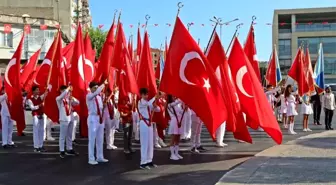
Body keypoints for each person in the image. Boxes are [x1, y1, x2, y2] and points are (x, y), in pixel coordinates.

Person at [86, 81, 109, 165]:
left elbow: (101, 107)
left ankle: (100, 157)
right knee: (92, 139)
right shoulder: (89, 96)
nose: (96, 89)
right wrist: (103, 84)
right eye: (94, 88)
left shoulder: (99, 97)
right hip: (92, 118)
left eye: (96, 87)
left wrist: (104, 105)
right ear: (90, 88)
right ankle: (91, 158)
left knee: (100, 139)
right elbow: (96, 93)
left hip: (100, 118)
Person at [137, 88, 160, 169]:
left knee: (150, 143)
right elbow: (148, 104)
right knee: (144, 143)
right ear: (141, 95)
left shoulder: (148, 103)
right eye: (144, 94)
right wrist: (155, 97)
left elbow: (158, 110)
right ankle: (143, 162)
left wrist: (155, 105)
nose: (146, 96)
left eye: (147, 94)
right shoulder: (140, 102)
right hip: (144, 122)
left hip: (149, 123)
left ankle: (149, 160)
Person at [56, 85, 80, 158]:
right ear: (61, 91)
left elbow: (77, 103)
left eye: (65, 90)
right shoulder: (59, 99)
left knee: (69, 135)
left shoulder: (69, 99)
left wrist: (73, 98)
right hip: (64, 119)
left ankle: (69, 149)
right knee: (62, 136)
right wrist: (67, 89)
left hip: (71, 118)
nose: (65, 92)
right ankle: (62, 150)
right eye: (63, 91)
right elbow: (61, 96)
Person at [27, 86, 48, 152]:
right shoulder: (30, 99)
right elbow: (32, 108)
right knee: (36, 131)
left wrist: (48, 87)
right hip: (35, 115)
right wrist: (39, 105)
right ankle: (36, 147)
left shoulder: (40, 97)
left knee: (41, 131)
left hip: (41, 115)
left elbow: (46, 94)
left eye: (38, 90)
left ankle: (41, 145)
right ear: (33, 91)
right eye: (36, 90)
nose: (38, 91)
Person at [167, 95, 185, 160]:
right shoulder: (169, 105)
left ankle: (176, 153)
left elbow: (181, 112)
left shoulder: (177, 104)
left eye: (175, 96)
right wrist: (181, 98)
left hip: (179, 121)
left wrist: (183, 107)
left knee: (178, 138)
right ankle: (172, 154)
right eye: (173, 96)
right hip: (174, 121)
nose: (174, 97)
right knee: (173, 138)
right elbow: (176, 103)